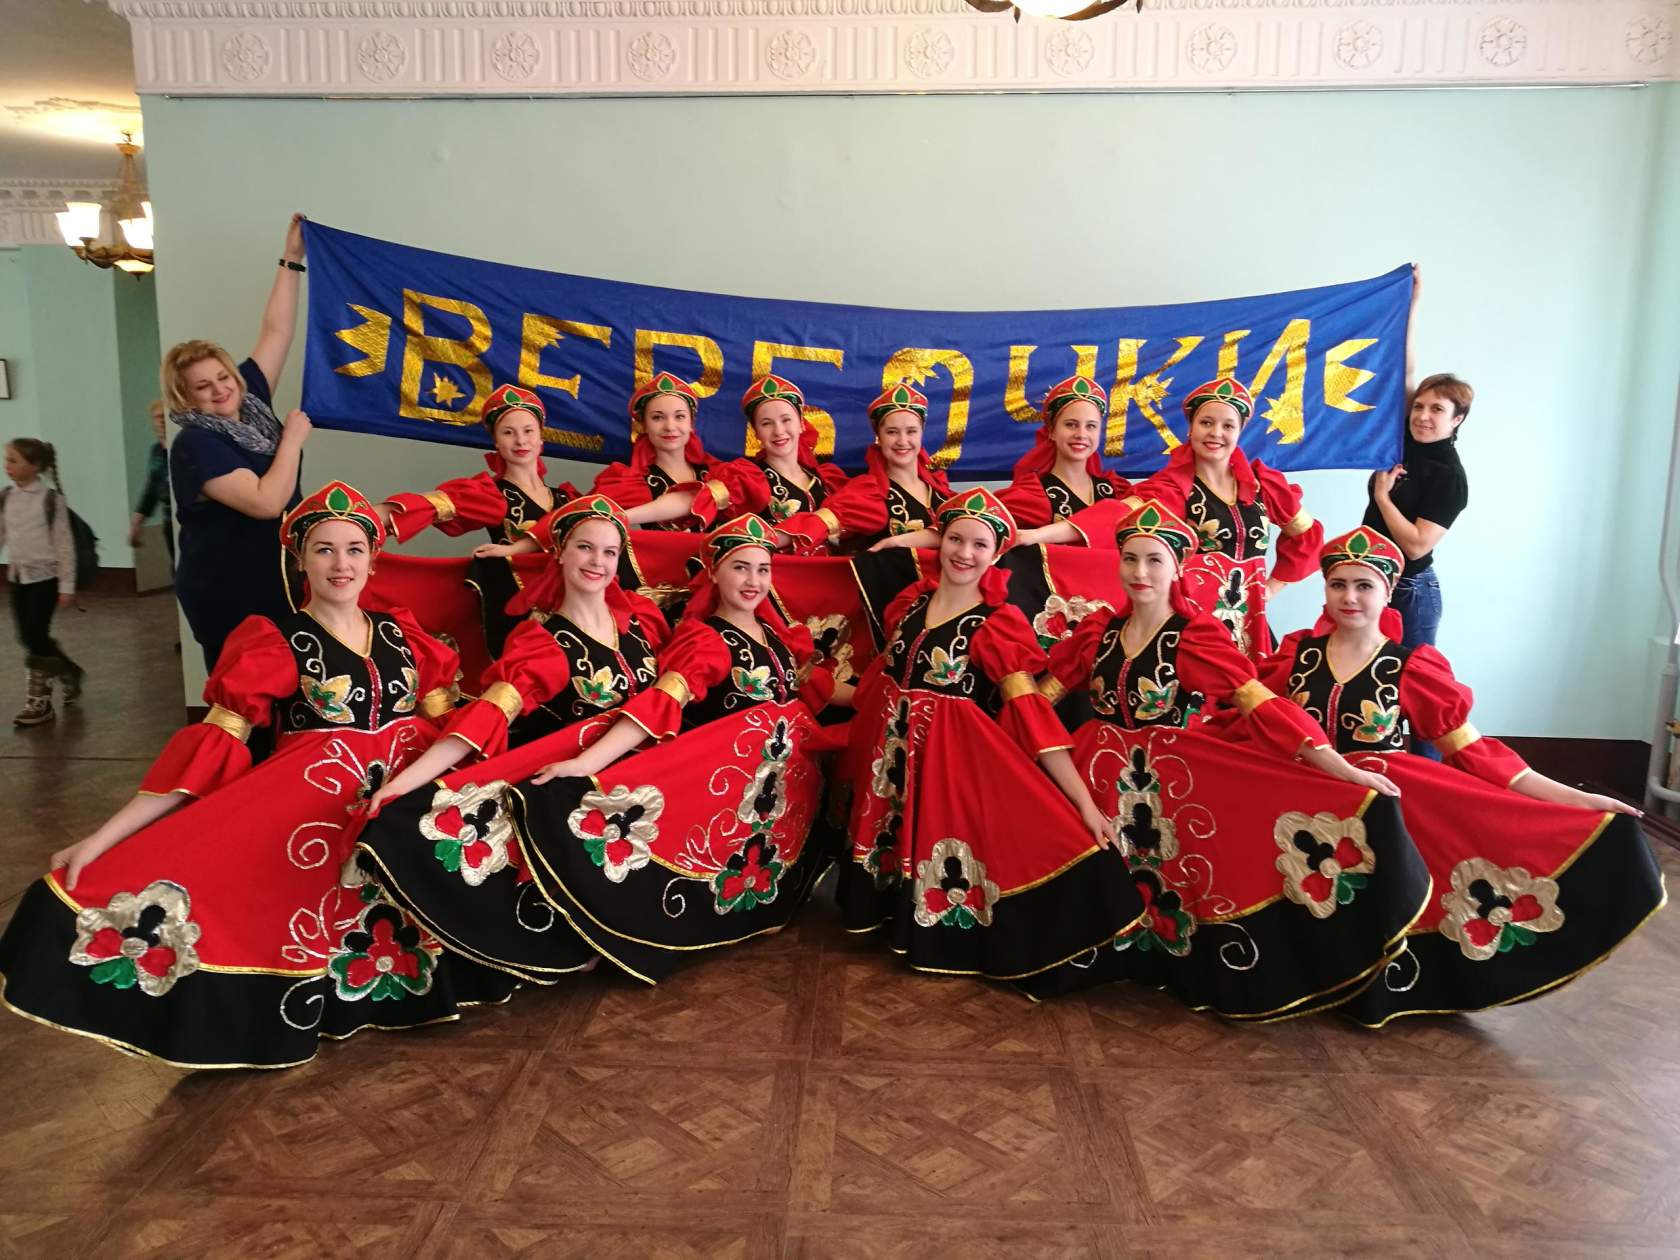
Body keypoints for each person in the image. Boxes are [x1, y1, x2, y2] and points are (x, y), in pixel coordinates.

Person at [0, 481, 514, 1068]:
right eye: (324, 549)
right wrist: (102, 839)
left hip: (404, 803)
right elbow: (208, 752)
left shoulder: (407, 635)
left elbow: (450, 733)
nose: (340, 564)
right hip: (316, 806)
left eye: (354, 549)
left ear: (374, 560)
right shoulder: (275, 642)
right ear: (301, 561)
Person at [1020, 499, 1430, 1017]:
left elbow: (1263, 706)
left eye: (1154, 559)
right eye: (1130, 558)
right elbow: (1041, 699)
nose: (1140, 572)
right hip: (1095, 773)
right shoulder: (1098, 633)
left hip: (1169, 782)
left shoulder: (1195, 636)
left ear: (1177, 568)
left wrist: (1340, 768)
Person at [1257, 526, 1665, 1025]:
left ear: (1388, 591)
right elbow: (1255, 725)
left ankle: (1374, 992)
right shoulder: (1295, 657)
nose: (1350, 597)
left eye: (1364, 585)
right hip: (1303, 813)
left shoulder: (1409, 667)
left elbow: (1474, 752)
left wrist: (1573, 799)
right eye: (1338, 584)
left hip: (1379, 814)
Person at [471, 513, 849, 982]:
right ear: (714, 573)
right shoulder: (705, 641)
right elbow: (659, 707)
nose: (753, 581)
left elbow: (818, 688)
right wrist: (586, 763)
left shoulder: (777, 637)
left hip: (769, 793)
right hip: (712, 784)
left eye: (763, 569)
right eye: (740, 568)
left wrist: (889, 692)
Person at [353, 495, 667, 984]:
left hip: (652, 783)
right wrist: (402, 785)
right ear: (559, 552)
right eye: (585, 548)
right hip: (583, 791)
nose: (598, 562)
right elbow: (486, 717)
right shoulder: (544, 644)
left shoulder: (642, 620)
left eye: (609, 552)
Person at [836, 487, 1143, 981]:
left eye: (980, 544)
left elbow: (1030, 713)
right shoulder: (910, 605)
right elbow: (878, 685)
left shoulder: (996, 625)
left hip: (950, 769)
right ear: (940, 542)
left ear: (996, 553)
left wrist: (1084, 805)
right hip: (891, 762)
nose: (965, 553)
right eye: (956, 539)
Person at [1016, 377, 1322, 660]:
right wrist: (1034, 536)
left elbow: (1307, 536)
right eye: (1206, 422)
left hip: (1252, 625)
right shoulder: (1172, 489)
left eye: (1227, 426)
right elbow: (1112, 516)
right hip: (1193, 624)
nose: (1216, 433)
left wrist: (1269, 589)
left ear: (1239, 431)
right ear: (1191, 428)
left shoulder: (1263, 485)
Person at [166, 214, 312, 670]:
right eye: (202, 386)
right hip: (229, 590)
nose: (220, 389)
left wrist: (291, 258)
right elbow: (267, 501)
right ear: (186, 397)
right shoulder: (195, 443)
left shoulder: (252, 402)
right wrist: (292, 440)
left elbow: (277, 331)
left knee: (290, 684)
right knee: (244, 692)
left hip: (280, 578)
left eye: (223, 376)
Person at [376, 383, 581, 656]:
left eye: (528, 431)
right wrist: (360, 519)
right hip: (519, 609)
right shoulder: (491, 495)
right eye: (508, 432)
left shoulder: (568, 498)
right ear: (496, 442)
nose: (520, 441)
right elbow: (425, 506)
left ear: (541, 437)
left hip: (574, 605)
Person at [1363, 374, 1471, 760]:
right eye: (1419, 406)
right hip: (1371, 584)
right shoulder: (1404, 443)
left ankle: (1431, 777)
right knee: (1370, 681)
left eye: (1437, 409)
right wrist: (1406, 322)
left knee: (1421, 691)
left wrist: (1383, 498)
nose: (1423, 415)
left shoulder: (1449, 476)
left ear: (1457, 419)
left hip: (1410, 590)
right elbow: (1404, 372)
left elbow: (1416, 544)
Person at [591, 373, 746, 532]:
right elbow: (591, 519)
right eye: (657, 418)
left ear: (691, 424)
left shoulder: (720, 473)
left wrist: (621, 517)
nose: (670, 427)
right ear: (644, 426)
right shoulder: (629, 482)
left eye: (679, 416)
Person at [3, 438, 82, 725]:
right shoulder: (6, 497)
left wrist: (67, 586)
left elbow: (64, 544)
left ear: (35, 466)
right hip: (18, 576)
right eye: (7, 459)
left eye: (14, 460)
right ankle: (68, 671)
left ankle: (40, 701)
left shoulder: (50, 500)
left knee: (35, 635)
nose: (7, 465)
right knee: (26, 635)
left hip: (45, 579)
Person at [722, 374, 850, 548]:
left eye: (786, 420)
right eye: (766, 423)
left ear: (801, 424)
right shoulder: (746, 479)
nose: (778, 431)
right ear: (756, 432)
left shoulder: (826, 480)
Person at [997, 374, 1132, 527]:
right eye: (1071, 424)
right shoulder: (1032, 496)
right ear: (1051, 431)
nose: (1081, 434)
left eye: (1091, 426)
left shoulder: (1116, 490)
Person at [129, 400, 174, 567]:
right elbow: (151, 488)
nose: (162, 421)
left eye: (165, 416)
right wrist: (136, 524)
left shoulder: (183, 446)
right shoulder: (156, 451)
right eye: (158, 417)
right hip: (169, 522)